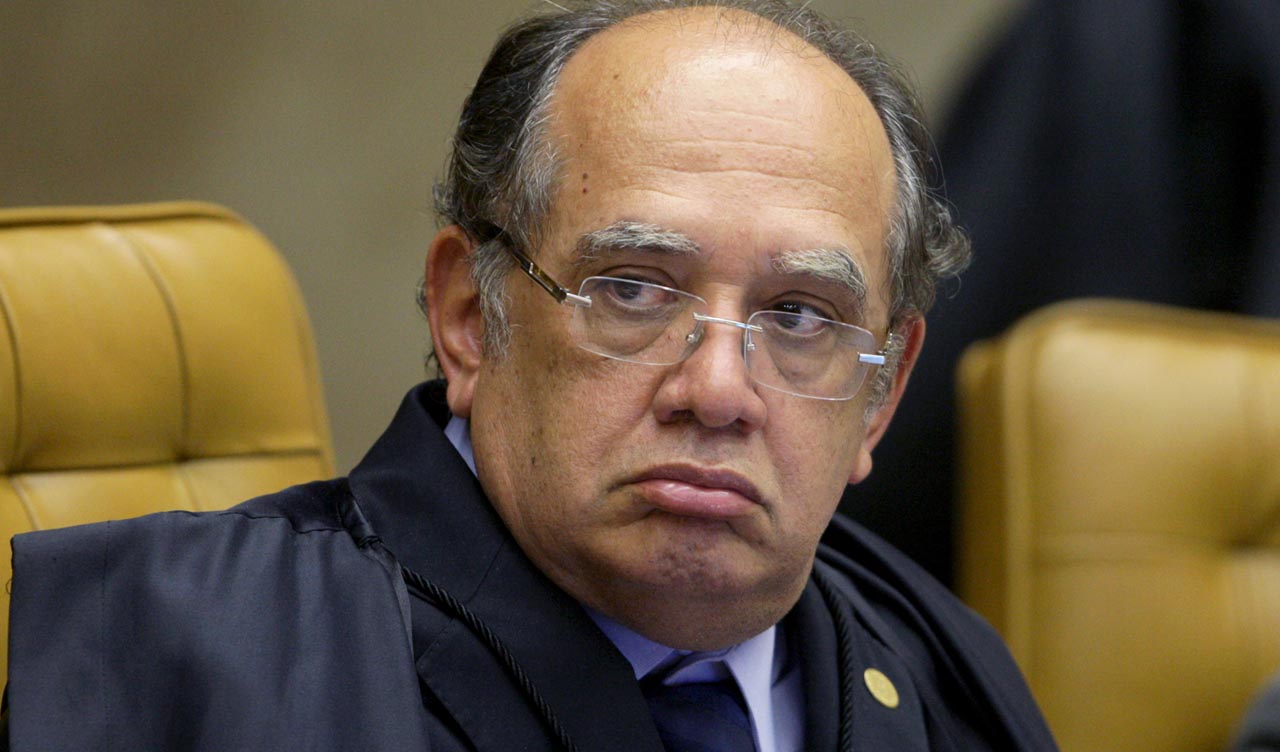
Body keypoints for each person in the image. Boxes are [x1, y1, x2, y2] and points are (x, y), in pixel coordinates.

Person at [3, 1, 1057, 750]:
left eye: (798, 315)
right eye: (634, 290)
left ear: (880, 394)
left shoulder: (944, 667)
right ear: (470, 317)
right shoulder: (165, 652)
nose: (719, 391)